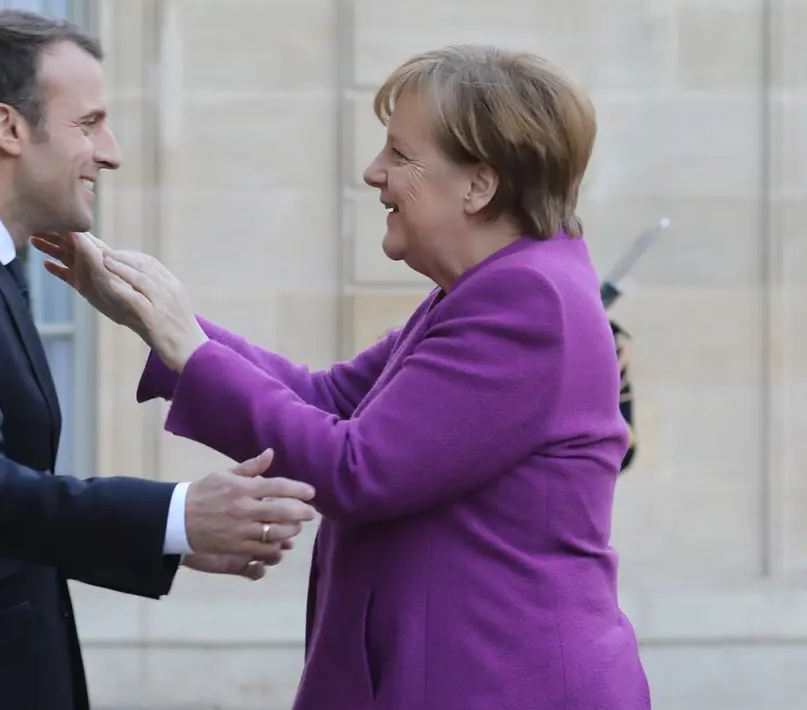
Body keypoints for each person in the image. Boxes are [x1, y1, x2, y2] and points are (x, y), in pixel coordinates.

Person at [36, 45, 650, 709]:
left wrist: (190, 348)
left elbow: (357, 468)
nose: (372, 173)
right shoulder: (492, 288)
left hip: (496, 682)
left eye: (399, 155)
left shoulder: (527, 301)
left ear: (479, 183)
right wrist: (155, 319)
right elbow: (326, 398)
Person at [0, 9, 317, 710]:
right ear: (7, 128)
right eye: (89, 123)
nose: (110, 152)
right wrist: (173, 515)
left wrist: (167, 541)